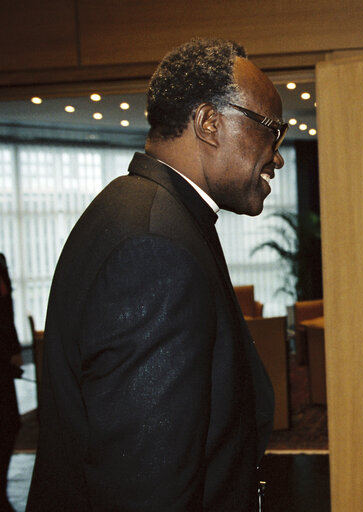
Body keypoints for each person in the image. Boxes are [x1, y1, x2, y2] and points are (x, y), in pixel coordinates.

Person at [27, 38, 283, 511]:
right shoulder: (155, 247)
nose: (279, 155)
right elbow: (146, 487)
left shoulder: (147, 212)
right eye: (272, 129)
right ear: (209, 123)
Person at [0, 254, 22, 512]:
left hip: (4, 357)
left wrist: (14, 348)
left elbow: (7, 310)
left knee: (10, 423)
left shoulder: (1, 260)